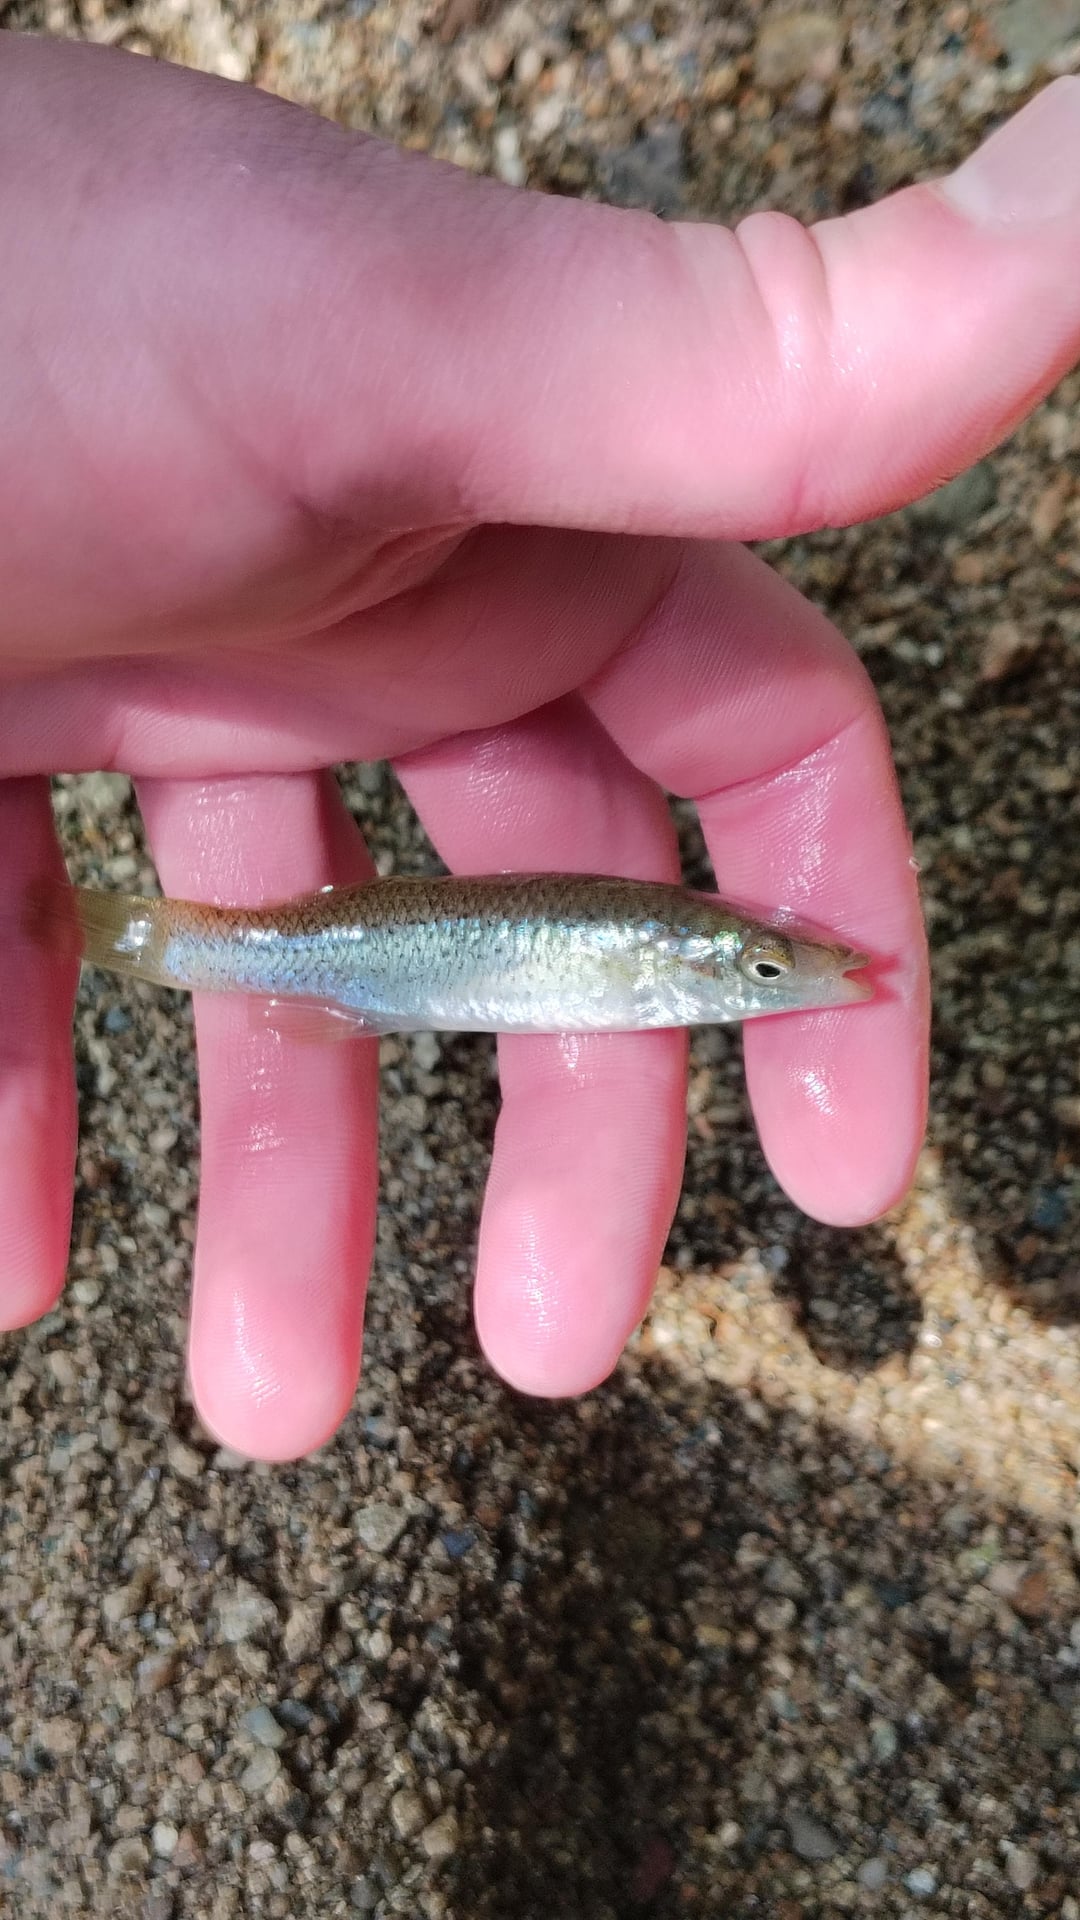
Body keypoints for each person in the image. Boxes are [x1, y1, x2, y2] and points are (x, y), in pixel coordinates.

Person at [2, 33, 1078, 1460]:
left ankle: (132, 934)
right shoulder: (664, 952)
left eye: (766, 970)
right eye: (761, 973)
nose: (783, 977)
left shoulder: (671, 945)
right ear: (692, 963)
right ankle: (124, 931)